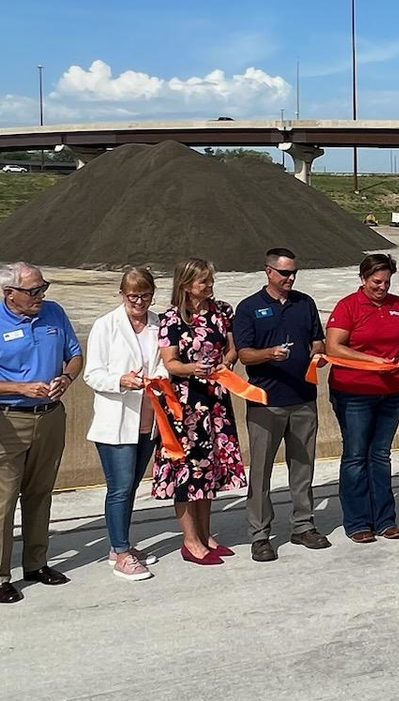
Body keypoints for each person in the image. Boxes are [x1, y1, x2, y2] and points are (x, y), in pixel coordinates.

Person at [0, 262, 83, 603]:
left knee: (40, 494)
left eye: (43, 288)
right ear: (9, 293)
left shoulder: (54, 313)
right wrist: (20, 387)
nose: (41, 295)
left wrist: (67, 377)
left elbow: (74, 355)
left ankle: (36, 563)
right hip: (4, 421)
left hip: (49, 417)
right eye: (33, 291)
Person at [233, 247, 331, 562]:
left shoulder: (305, 303)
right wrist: (269, 354)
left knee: (303, 468)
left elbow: (318, 339)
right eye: (285, 273)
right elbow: (243, 354)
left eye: (294, 273)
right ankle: (260, 535)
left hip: (302, 399)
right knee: (260, 471)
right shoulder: (249, 308)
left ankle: (303, 525)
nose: (290, 278)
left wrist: (317, 353)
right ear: (269, 272)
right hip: (266, 401)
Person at [151, 257, 246, 565]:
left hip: (215, 401)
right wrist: (195, 368)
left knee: (208, 470)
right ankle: (190, 541)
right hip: (186, 405)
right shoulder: (172, 319)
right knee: (187, 472)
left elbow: (232, 347)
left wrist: (226, 362)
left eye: (210, 280)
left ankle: (206, 535)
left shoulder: (222, 312)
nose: (209, 286)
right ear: (186, 285)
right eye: (203, 281)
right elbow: (171, 363)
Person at [325, 254, 399, 544]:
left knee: (380, 455)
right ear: (363, 279)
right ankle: (357, 521)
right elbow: (334, 347)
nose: (382, 287)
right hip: (354, 393)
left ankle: (385, 519)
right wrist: (372, 360)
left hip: (390, 392)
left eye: (387, 282)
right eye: (377, 282)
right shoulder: (348, 307)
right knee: (355, 456)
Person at [84, 266, 165, 582]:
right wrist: (121, 380)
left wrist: (161, 380)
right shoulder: (106, 326)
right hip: (117, 420)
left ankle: (122, 546)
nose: (140, 302)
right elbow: (93, 374)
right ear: (122, 294)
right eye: (133, 296)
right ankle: (120, 552)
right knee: (118, 487)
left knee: (130, 486)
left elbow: (165, 363)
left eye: (145, 296)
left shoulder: (159, 323)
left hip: (148, 420)